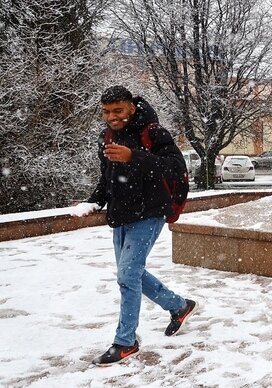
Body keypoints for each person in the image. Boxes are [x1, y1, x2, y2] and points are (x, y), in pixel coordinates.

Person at [73, 85, 199, 366]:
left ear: (131, 107)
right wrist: (93, 202)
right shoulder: (106, 137)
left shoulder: (153, 132)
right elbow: (107, 178)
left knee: (127, 276)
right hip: (120, 216)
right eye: (106, 111)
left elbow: (176, 167)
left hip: (149, 213)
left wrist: (135, 157)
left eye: (118, 110)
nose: (112, 116)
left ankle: (125, 342)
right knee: (132, 274)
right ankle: (180, 306)